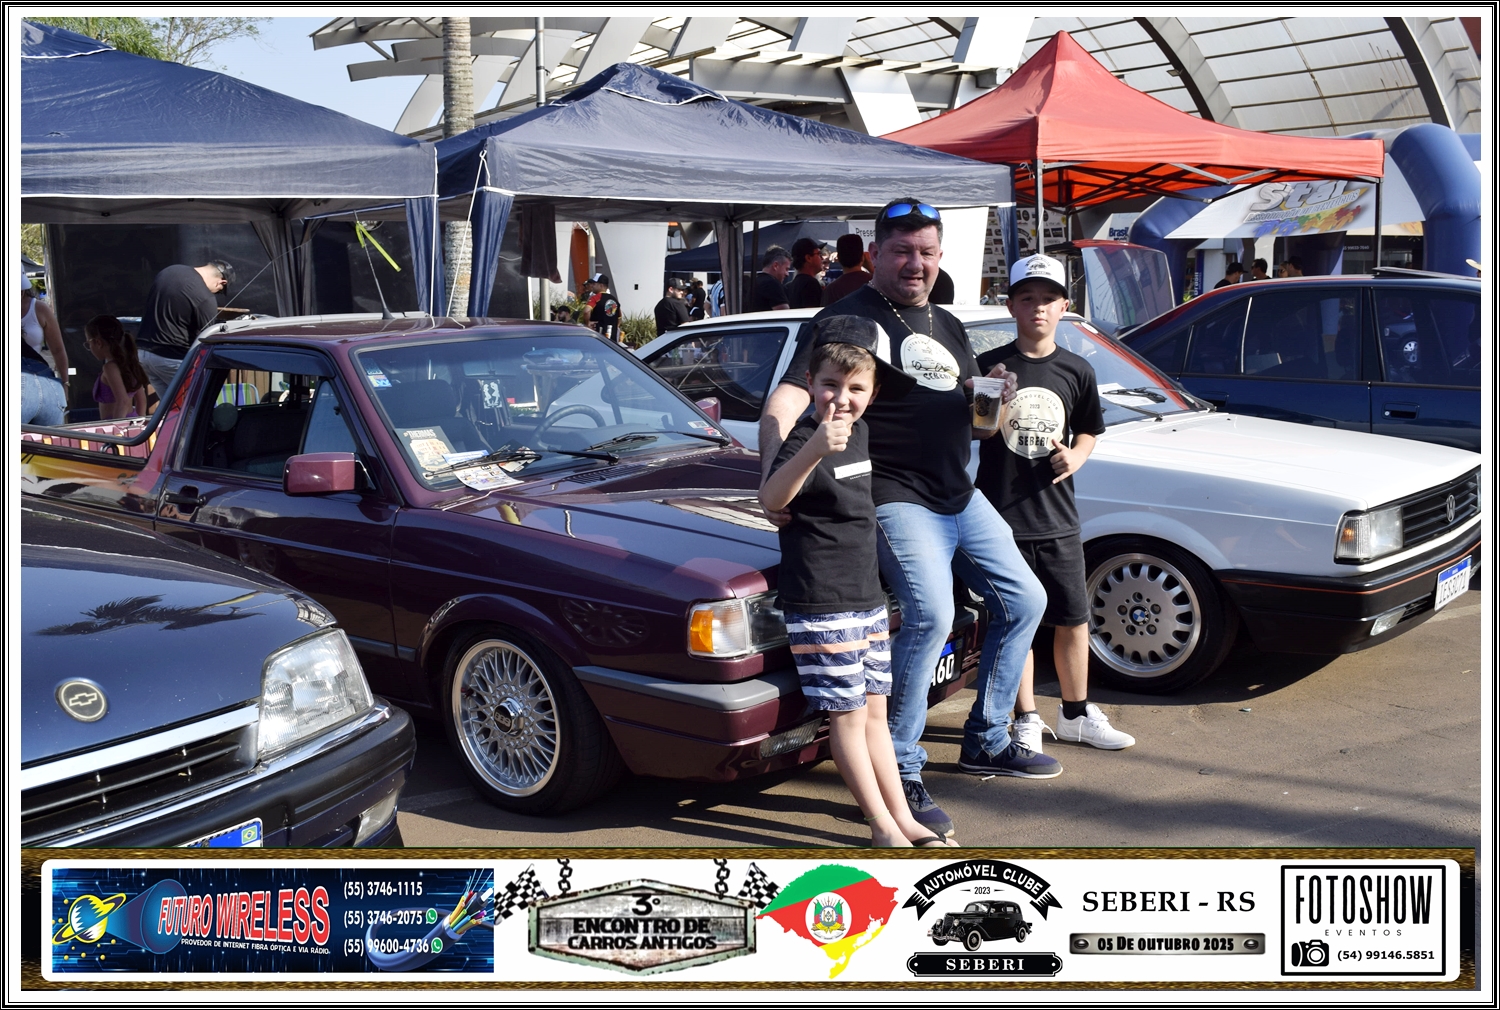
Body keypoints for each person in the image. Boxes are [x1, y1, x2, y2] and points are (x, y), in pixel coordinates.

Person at [761, 198, 1055, 839]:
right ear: (875, 254)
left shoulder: (947, 322)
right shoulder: (848, 317)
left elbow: (978, 425)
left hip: (959, 493)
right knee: (932, 615)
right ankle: (900, 763)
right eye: (901, 251)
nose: (915, 263)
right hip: (896, 495)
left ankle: (988, 736)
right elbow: (784, 402)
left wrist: (995, 402)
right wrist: (776, 483)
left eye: (926, 252)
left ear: (940, 256)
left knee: (1026, 600)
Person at [759, 316, 952, 847]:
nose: (842, 399)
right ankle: (881, 826)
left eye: (856, 388)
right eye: (830, 384)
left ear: (874, 391)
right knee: (845, 718)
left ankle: (904, 818)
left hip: (866, 598)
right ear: (810, 382)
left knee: (874, 716)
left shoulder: (860, 432)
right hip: (822, 601)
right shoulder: (807, 436)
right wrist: (815, 448)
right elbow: (772, 497)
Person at [974, 255, 1135, 758]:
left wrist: (1077, 456)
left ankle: (1076, 713)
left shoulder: (1077, 368)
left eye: (1048, 299)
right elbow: (978, 431)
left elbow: (1089, 429)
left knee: (1073, 616)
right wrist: (994, 397)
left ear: (1065, 306)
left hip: (1058, 517)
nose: (1038, 308)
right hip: (1000, 517)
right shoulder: (991, 365)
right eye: (1028, 298)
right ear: (1011, 306)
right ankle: (1025, 717)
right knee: (1015, 620)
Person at [135, 260, 232, 394]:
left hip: (144, 354)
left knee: (171, 406)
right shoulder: (205, 297)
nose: (215, 293)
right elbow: (207, 337)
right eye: (219, 291)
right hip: (172, 359)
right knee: (196, 404)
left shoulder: (169, 271)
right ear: (221, 282)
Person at [20, 269, 67, 426]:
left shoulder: (39, 308)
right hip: (49, 383)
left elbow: (58, 350)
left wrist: (66, 382)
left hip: (24, 382)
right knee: (51, 440)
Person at [84, 315, 149, 420]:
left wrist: (116, 427)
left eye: (89, 343)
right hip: (132, 421)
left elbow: (123, 401)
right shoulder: (129, 363)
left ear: (98, 343)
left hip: (116, 423)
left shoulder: (110, 368)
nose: (90, 348)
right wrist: (140, 423)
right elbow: (141, 400)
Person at [822, 234, 872, 306]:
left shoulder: (832, 290)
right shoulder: (875, 283)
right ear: (862, 257)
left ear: (838, 258)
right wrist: (871, 268)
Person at [747, 246, 792, 312]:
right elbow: (785, 314)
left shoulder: (753, 283)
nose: (787, 274)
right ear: (775, 266)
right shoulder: (772, 284)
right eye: (786, 269)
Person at [786, 237, 825, 309]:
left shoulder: (792, 285)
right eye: (819, 254)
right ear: (808, 258)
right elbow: (813, 313)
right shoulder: (810, 283)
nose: (822, 258)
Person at [587, 273, 622, 341]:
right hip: (612, 340)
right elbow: (619, 318)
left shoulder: (596, 297)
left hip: (597, 337)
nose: (592, 286)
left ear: (601, 285)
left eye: (594, 284)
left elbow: (586, 311)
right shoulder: (614, 299)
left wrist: (587, 323)